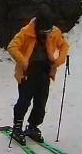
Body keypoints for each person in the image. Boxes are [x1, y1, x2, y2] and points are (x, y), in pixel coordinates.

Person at [6, 8, 70, 144]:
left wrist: (59, 60)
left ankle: (33, 126)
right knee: (24, 101)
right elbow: (12, 46)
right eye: (44, 31)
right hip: (28, 72)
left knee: (41, 102)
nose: (47, 34)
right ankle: (17, 127)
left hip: (44, 71)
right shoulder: (26, 32)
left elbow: (64, 46)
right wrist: (23, 62)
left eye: (48, 30)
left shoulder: (54, 31)